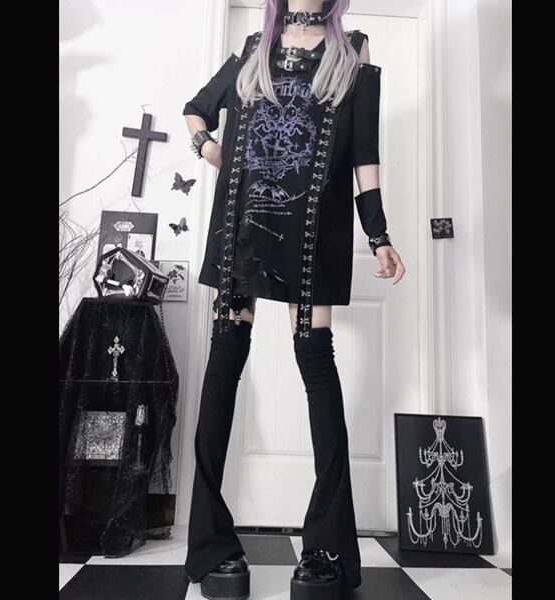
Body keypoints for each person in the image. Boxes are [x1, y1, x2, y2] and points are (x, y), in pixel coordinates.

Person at [182, 1, 406, 598]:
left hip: (311, 237)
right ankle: (211, 547)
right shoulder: (255, 49)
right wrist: (208, 147)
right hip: (242, 232)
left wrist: (379, 235)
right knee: (224, 369)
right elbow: (196, 108)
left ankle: (327, 549)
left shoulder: (352, 52)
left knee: (317, 370)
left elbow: (364, 156)